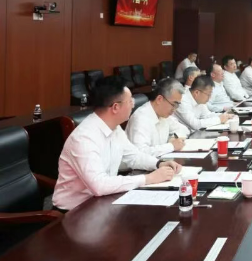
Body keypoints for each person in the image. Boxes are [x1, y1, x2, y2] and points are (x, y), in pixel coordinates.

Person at [52, 76, 180, 211]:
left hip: (102, 202)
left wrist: (159, 164)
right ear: (115, 107)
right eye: (130, 101)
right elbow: (99, 185)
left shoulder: (115, 128)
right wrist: (148, 178)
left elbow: (134, 156)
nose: (133, 104)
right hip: (73, 212)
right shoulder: (84, 138)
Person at [126, 78, 189, 156]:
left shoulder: (164, 114)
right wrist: (171, 146)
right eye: (173, 104)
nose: (174, 109)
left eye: (177, 105)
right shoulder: (141, 118)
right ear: (159, 99)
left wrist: (174, 138)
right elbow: (140, 153)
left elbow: (184, 129)